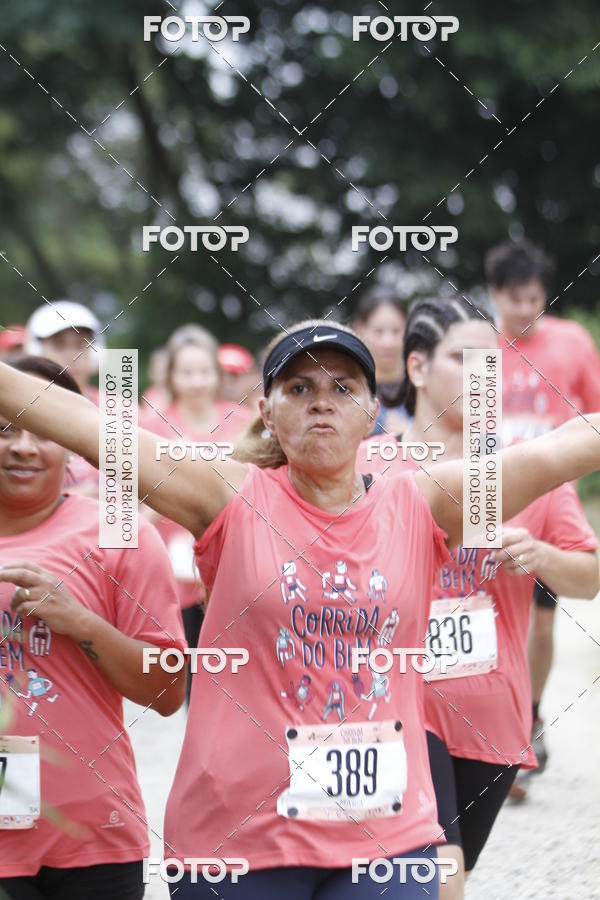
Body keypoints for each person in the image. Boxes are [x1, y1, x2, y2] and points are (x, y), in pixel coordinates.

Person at [0, 320, 599, 899]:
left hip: (386, 839)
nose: (322, 403)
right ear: (267, 410)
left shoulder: (422, 504)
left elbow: (560, 451)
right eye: (300, 388)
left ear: (372, 409)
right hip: (240, 841)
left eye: (343, 388)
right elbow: (86, 425)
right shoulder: (225, 496)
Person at [358, 297, 599, 898]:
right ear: (417, 367)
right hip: (394, 703)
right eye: (464, 360)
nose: (482, 378)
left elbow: (590, 577)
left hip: (492, 715)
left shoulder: (525, 468)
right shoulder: (367, 464)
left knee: (446, 873)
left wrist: (542, 558)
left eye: (491, 363)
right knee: (437, 874)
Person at [0, 356, 186, 900]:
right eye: (5, 429)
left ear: (73, 440)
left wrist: (80, 621)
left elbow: (168, 690)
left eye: (43, 429)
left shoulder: (119, 536)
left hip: (94, 843)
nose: (24, 447)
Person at [485, 238, 600, 793]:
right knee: (491, 620)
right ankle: (497, 731)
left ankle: (528, 715)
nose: (527, 309)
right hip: (488, 502)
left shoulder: (572, 342)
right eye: (515, 299)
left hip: (551, 503)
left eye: (535, 297)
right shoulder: (476, 349)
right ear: (494, 294)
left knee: (544, 620)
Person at [139, 325, 252, 704]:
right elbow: (128, 505)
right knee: (188, 677)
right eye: (187, 372)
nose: (197, 381)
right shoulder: (150, 426)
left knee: (234, 676)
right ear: (171, 375)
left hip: (234, 566)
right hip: (172, 572)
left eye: (204, 371)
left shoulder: (242, 422)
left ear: (217, 374)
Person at [26, 300, 107, 497]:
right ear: (36, 351)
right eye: (59, 345)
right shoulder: (20, 409)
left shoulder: (122, 408)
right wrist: (71, 500)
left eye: (81, 345)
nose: (72, 356)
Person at [353, 287, 411, 436]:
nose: (388, 342)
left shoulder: (422, 387)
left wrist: (412, 434)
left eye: (396, 331)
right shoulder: (347, 387)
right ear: (360, 328)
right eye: (378, 331)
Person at [218, 343, 261, 415]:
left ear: (252, 378)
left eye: (234, 375)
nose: (226, 383)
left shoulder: (264, 413)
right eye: (220, 376)